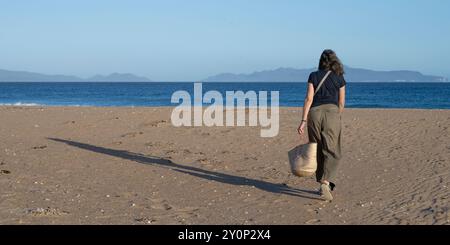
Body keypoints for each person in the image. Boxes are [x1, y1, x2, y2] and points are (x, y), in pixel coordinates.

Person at [297, 49, 346, 201]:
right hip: (332, 113)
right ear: (334, 61)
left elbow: (308, 99)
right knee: (332, 150)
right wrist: (337, 116)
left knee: (316, 148)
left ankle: (322, 182)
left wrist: (303, 121)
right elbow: (341, 102)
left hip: (314, 113)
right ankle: (326, 181)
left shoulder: (313, 75)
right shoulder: (339, 77)